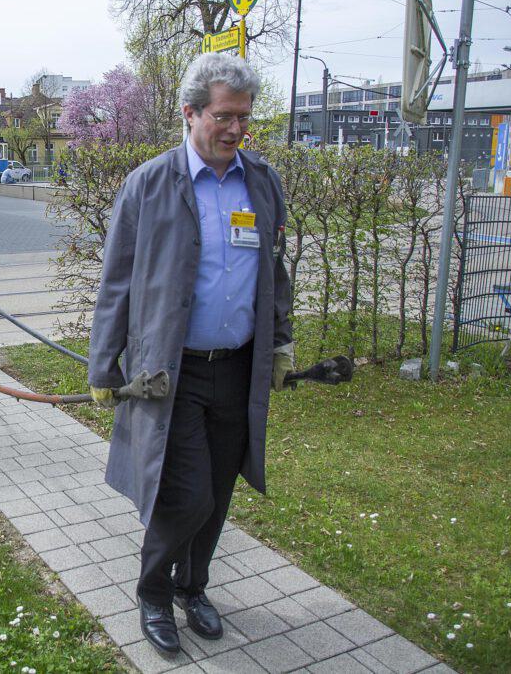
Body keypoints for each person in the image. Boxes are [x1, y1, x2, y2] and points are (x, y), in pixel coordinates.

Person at [88, 53, 295, 655]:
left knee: (220, 490)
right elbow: (116, 281)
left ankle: (192, 586)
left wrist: (280, 340)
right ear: (190, 113)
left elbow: (274, 270)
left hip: (238, 366)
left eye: (244, 117)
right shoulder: (149, 184)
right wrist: (104, 364)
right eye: (224, 116)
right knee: (186, 494)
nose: (236, 129)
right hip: (169, 374)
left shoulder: (262, 181)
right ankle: (154, 592)